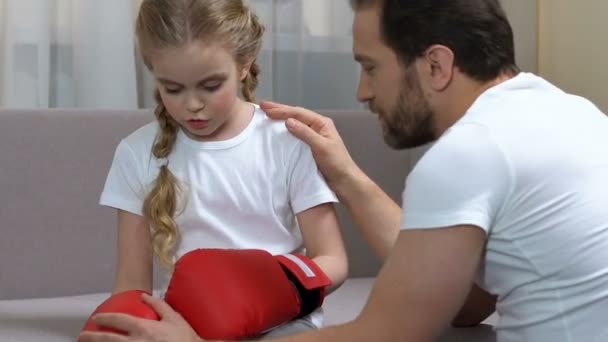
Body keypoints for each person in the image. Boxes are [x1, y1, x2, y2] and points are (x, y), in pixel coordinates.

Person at [79, 0, 608, 341]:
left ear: (437, 65)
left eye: (370, 66)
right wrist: (348, 174)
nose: (361, 92)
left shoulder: (467, 154)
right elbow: (467, 306)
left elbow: (387, 331)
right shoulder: (575, 113)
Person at [77, 0, 348, 341]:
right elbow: (132, 283)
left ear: (244, 66)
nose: (192, 104)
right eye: (172, 89)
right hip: (188, 323)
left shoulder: (286, 141)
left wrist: (263, 290)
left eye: (210, 86)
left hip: (283, 321)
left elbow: (334, 260)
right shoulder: (136, 153)